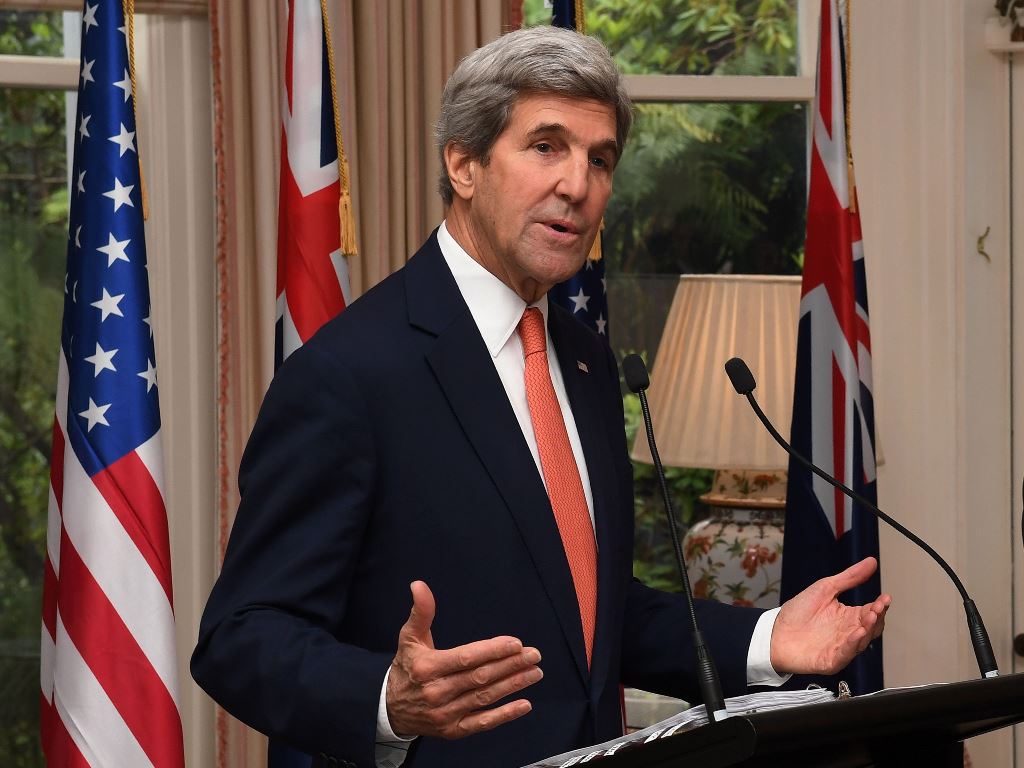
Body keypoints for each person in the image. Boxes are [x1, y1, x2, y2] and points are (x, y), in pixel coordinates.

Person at [191, 25, 890, 768]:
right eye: (546, 146)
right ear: (463, 164)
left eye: (600, 159)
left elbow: (589, 613)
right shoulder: (352, 372)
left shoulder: (585, 362)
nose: (578, 184)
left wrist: (764, 639)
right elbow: (241, 635)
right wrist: (386, 700)